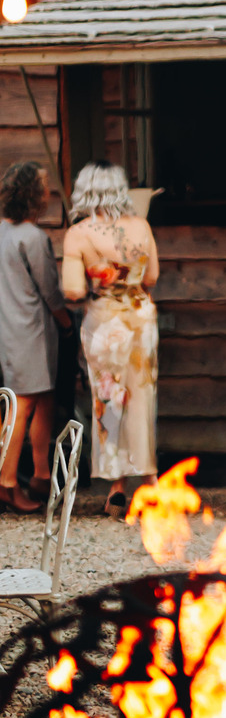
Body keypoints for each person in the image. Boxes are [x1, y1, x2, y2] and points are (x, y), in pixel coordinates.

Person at [62, 162, 159, 518]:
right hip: (140, 320)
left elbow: (73, 290)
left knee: (109, 399)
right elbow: (152, 276)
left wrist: (95, 277)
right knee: (142, 396)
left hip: (104, 323)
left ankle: (117, 488)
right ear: (120, 189)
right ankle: (151, 482)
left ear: (84, 191)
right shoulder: (141, 225)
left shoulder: (79, 233)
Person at [0, 162, 74, 513]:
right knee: (23, 405)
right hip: (32, 329)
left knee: (43, 399)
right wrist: (65, 321)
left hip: (8, 326)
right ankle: (7, 481)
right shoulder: (33, 237)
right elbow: (50, 289)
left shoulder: (1, 233)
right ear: (35, 196)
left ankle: (41, 475)